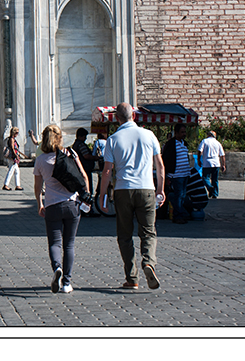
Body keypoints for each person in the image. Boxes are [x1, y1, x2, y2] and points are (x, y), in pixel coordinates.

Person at [98, 103, 165, 290]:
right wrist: (160, 189)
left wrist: (102, 196)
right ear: (133, 116)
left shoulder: (113, 139)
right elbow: (160, 165)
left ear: (117, 118)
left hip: (123, 189)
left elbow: (107, 171)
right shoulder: (149, 135)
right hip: (146, 188)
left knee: (125, 235)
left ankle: (132, 277)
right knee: (148, 231)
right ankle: (149, 262)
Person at [34, 124, 90, 294]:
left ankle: (57, 267)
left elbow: (38, 187)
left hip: (52, 205)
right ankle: (67, 282)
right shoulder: (71, 154)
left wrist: (39, 204)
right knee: (69, 244)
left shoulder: (41, 160)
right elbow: (84, 176)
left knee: (55, 243)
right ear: (60, 138)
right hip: (72, 204)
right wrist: (85, 197)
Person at [162, 123, 191, 224]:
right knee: (178, 195)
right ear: (176, 133)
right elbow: (166, 158)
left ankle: (181, 213)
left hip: (184, 174)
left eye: (184, 132)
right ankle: (177, 215)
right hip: (176, 175)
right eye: (182, 132)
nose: (184, 134)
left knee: (182, 195)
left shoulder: (184, 143)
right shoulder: (171, 144)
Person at [71, 128, 101, 212]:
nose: (86, 138)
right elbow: (86, 156)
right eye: (85, 136)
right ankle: (87, 209)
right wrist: (95, 157)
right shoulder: (81, 145)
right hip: (85, 169)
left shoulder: (75, 144)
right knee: (87, 190)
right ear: (80, 136)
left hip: (79, 170)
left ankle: (83, 208)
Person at [197, 131, 226, 199]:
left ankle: (210, 188)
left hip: (207, 163)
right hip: (216, 163)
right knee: (215, 179)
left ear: (209, 134)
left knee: (205, 178)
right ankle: (214, 193)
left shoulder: (204, 141)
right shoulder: (218, 143)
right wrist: (223, 165)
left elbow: (199, 151)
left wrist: (199, 160)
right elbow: (222, 155)